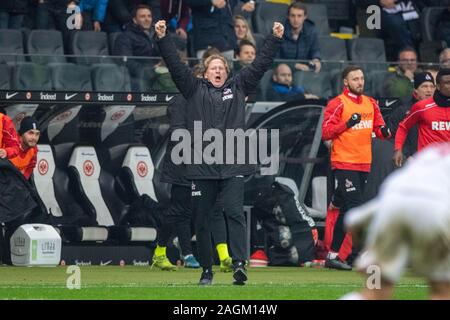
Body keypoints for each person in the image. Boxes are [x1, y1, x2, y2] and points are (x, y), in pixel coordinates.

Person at [154, 19, 283, 285]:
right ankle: (206, 270)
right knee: (201, 220)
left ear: (227, 71)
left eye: (221, 67)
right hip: (202, 166)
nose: (217, 70)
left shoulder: (238, 87)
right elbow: (175, 66)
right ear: (205, 72)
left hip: (233, 165)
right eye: (213, 67)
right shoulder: (193, 89)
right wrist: (163, 37)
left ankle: (239, 264)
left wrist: (274, 39)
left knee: (234, 212)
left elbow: (260, 65)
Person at [342, 142, 450, 300]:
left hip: (390, 207)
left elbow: (400, 198)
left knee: (375, 291)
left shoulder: (431, 153)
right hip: (434, 211)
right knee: (442, 291)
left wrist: (364, 237)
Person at [321, 65, 391, 270]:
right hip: (344, 161)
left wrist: (386, 131)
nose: (360, 82)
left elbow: (379, 130)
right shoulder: (337, 103)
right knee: (357, 207)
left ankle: (333, 256)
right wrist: (347, 124)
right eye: (355, 79)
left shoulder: (371, 103)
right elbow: (325, 133)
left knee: (346, 210)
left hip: (363, 162)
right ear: (346, 82)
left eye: (361, 78)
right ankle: (363, 253)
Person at [393, 68, 450, 168]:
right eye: (447, 83)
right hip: (427, 164)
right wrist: (398, 149)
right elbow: (403, 127)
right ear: (438, 86)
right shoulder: (422, 107)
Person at [388, 71, 435, 159]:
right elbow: (392, 137)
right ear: (415, 90)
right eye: (424, 86)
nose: (429, 90)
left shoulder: (441, 109)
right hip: (410, 163)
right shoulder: (402, 111)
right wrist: (406, 155)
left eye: (432, 87)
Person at [113, 4, 161, 90]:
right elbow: (126, 62)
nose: (147, 19)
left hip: (157, 77)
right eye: (142, 16)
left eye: (149, 16)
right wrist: (150, 71)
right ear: (135, 20)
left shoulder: (156, 36)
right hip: (136, 80)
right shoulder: (124, 37)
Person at [278, 2, 321, 74]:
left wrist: (316, 59)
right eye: (293, 16)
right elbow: (274, 58)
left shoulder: (311, 30)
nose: (296, 19)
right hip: (283, 72)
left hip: (304, 72)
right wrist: (294, 65)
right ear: (288, 16)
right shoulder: (278, 30)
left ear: (305, 17)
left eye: (299, 16)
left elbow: (315, 50)